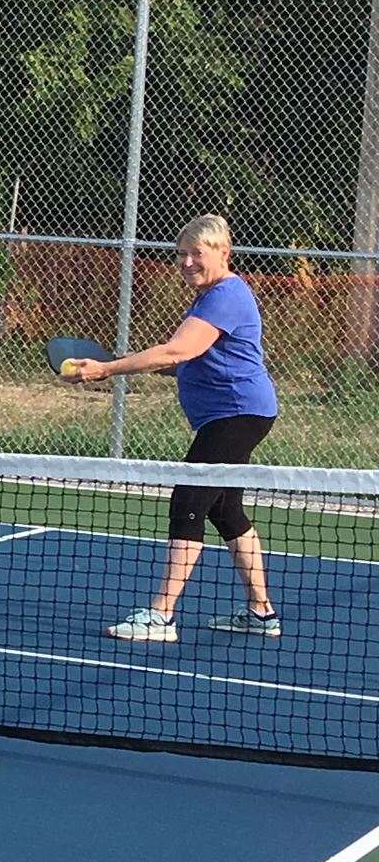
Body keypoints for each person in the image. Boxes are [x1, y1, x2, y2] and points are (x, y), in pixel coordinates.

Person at [62, 213, 280, 642]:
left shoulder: (225, 295)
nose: (186, 262)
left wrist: (106, 369)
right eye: (181, 253)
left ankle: (162, 615)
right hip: (238, 413)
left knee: (188, 500)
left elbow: (178, 350)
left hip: (236, 414)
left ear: (223, 253)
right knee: (224, 509)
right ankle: (261, 612)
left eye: (196, 253)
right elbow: (190, 358)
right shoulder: (209, 297)